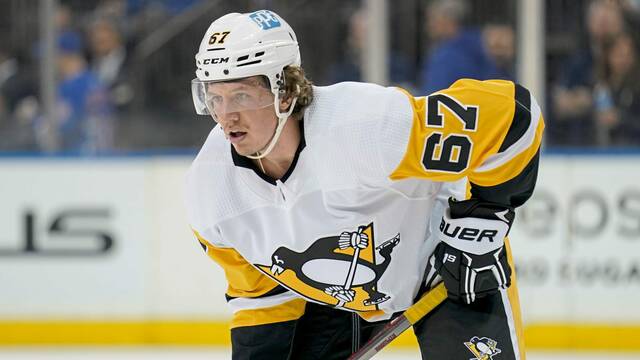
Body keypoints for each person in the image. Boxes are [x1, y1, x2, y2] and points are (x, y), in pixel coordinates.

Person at [186, 10, 544, 360]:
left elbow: (513, 117)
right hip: (335, 299)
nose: (226, 116)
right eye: (214, 98)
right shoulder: (212, 191)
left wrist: (477, 225)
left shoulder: (368, 127)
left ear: (284, 91)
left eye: (242, 96)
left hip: (445, 269)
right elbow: (261, 296)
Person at [419, 0, 514, 94]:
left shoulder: (448, 54)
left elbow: (433, 94)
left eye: (432, 19)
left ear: (446, 20)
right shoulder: (477, 44)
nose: (428, 26)